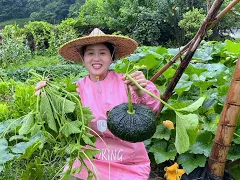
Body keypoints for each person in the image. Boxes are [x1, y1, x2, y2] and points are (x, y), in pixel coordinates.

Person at [35, 28, 160, 180]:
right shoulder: (74, 90)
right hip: (90, 159)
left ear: (111, 57)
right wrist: (46, 98)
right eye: (90, 53)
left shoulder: (128, 83)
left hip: (129, 163)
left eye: (102, 53)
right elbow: (57, 123)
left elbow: (152, 111)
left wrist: (141, 91)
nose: (96, 58)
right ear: (82, 58)